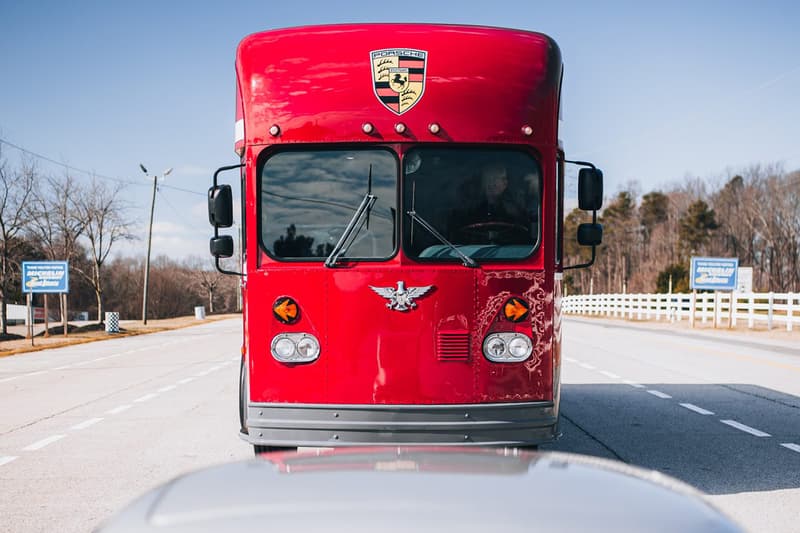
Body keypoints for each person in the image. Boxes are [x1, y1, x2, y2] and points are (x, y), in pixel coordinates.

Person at [449, 162, 527, 243]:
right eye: (489, 178)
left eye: (497, 179)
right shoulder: (469, 209)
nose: (492, 183)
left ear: (505, 183)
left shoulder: (515, 209)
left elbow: (523, 234)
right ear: (482, 182)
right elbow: (459, 236)